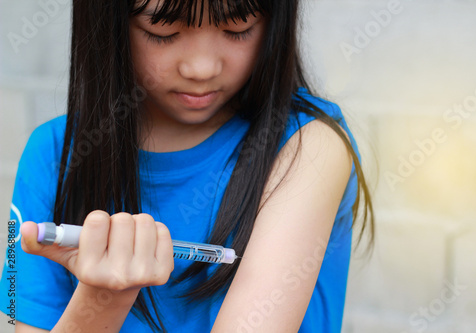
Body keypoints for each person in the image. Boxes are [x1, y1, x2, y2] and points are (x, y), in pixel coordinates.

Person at [0, 0, 374, 332]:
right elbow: (18, 313)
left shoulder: (308, 147)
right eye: (163, 29)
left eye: (238, 26)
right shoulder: (49, 154)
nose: (201, 67)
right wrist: (103, 300)